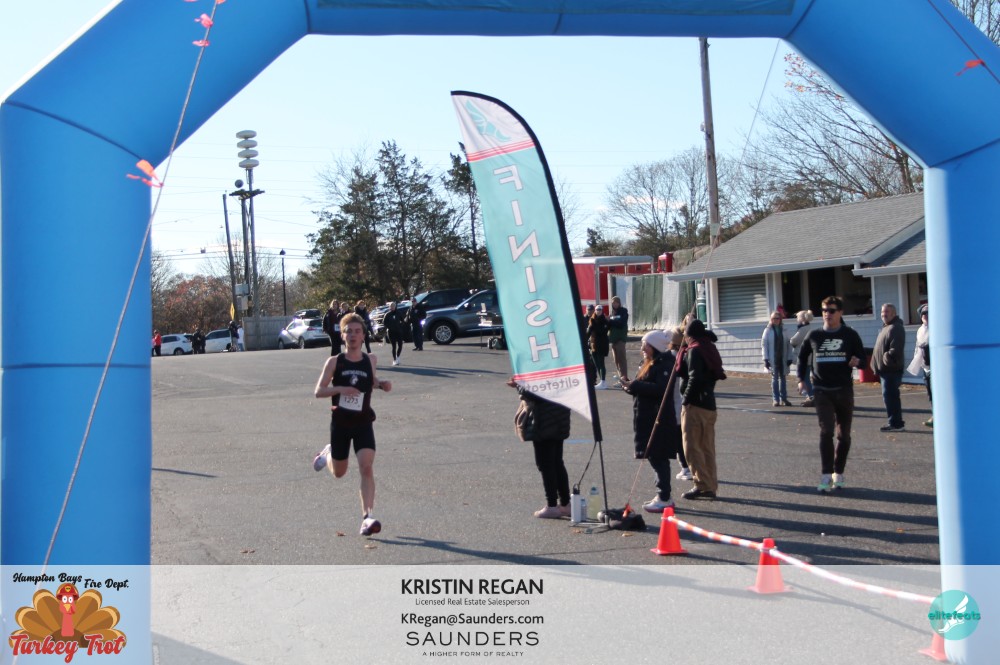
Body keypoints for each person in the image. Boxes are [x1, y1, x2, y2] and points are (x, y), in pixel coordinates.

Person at [311, 313, 392, 536]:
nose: (353, 335)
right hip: (341, 424)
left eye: (357, 331)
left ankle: (367, 517)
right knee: (339, 472)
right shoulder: (335, 362)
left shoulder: (370, 360)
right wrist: (340, 389)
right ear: (342, 335)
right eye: (349, 331)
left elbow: (370, 381)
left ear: (363, 335)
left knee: (366, 467)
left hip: (363, 422)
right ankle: (327, 454)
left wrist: (381, 384)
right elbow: (319, 391)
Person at [796, 295, 867, 492]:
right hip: (821, 390)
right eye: (824, 310)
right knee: (826, 431)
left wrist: (857, 362)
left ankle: (838, 473)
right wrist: (801, 379)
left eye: (832, 310)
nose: (827, 314)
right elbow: (802, 358)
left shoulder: (850, 334)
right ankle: (826, 475)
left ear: (840, 312)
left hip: (843, 390)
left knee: (843, 435)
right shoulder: (814, 335)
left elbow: (863, 359)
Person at [621, 329, 680, 512]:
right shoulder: (649, 362)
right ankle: (662, 495)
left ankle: (664, 497)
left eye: (645, 345)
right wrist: (630, 386)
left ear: (654, 346)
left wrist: (636, 385)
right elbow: (644, 386)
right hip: (646, 416)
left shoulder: (665, 363)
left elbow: (661, 389)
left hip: (659, 418)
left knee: (658, 457)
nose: (642, 349)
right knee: (654, 456)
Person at [507, 378, 571, 519]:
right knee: (557, 462)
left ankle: (552, 505)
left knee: (545, 464)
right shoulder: (560, 368)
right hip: (561, 414)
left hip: (544, 419)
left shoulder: (541, 370)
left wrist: (520, 385)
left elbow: (534, 392)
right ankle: (565, 503)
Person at [677, 318, 724, 500]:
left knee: (692, 447)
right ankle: (710, 484)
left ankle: (702, 485)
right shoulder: (708, 347)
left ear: (690, 335)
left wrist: (686, 400)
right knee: (707, 447)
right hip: (709, 403)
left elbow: (694, 377)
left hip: (696, 405)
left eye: (685, 334)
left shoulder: (695, 350)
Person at [872, 302, 906, 432]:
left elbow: (895, 349)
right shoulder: (886, 327)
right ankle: (894, 422)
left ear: (894, 313)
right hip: (885, 370)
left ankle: (896, 424)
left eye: (886, 312)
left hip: (891, 370)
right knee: (889, 397)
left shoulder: (896, 328)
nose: (883, 315)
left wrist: (886, 360)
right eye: (882, 312)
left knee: (891, 397)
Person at [667, 327, 693, 481]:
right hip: (682, 401)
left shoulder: (672, 357)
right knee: (683, 437)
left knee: (679, 439)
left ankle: (686, 467)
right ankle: (687, 467)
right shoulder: (684, 354)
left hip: (676, 403)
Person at [907, 304, 932, 428]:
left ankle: (938, 416)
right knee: (930, 393)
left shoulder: (936, 328)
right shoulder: (920, 330)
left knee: (937, 393)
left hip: (935, 367)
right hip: (925, 366)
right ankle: (934, 415)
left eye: (927, 313)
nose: (925, 316)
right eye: (923, 314)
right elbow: (918, 347)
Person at [761, 310, 793, 407]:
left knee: (783, 378)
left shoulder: (785, 330)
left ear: (780, 319)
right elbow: (764, 345)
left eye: (777, 318)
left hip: (783, 357)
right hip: (773, 358)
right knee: (774, 379)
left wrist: (789, 357)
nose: (775, 320)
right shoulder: (767, 330)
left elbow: (789, 344)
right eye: (773, 318)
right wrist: (765, 359)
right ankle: (776, 399)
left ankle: (784, 398)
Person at [789, 310, 815, 406]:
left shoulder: (803, 329)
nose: (797, 319)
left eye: (798, 317)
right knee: (806, 377)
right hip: (809, 356)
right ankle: (810, 394)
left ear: (802, 319)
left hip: (804, 357)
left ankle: (811, 395)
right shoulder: (809, 328)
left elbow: (794, 341)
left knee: (804, 378)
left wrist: (789, 340)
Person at [608, 296, 630, 386]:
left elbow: (621, 323)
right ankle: (620, 378)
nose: (615, 304)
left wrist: (611, 321)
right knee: (616, 360)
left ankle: (624, 378)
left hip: (620, 339)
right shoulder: (612, 313)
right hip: (613, 339)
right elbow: (609, 324)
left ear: (619, 303)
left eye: (616, 302)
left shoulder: (623, 311)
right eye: (613, 303)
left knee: (622, 359)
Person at [587, 305, 610, 390]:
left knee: (601, 364)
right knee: (596, 364)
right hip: (593, 345)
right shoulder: (592, 320)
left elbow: (602, 331)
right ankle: (601, 381)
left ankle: (603, 381)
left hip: (602, 344)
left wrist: (593, 326)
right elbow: (588, 332)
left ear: (602, 311)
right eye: (597, 310)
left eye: (600, 310)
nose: (598, 311)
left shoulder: (605, 320)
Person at [383, 301, 406, 366]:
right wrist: (390, 327)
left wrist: (400, 326)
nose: (392, 307)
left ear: (395, 307)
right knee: (394, 346)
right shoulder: (387, 314)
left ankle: (398, 356)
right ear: (389, 307)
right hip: (391, 332)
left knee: (400, 345)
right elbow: (384, 323)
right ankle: (394, 360)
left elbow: (403, 321)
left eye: (394, 306)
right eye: (391, 306)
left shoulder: (399, 313)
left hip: (398, 331)